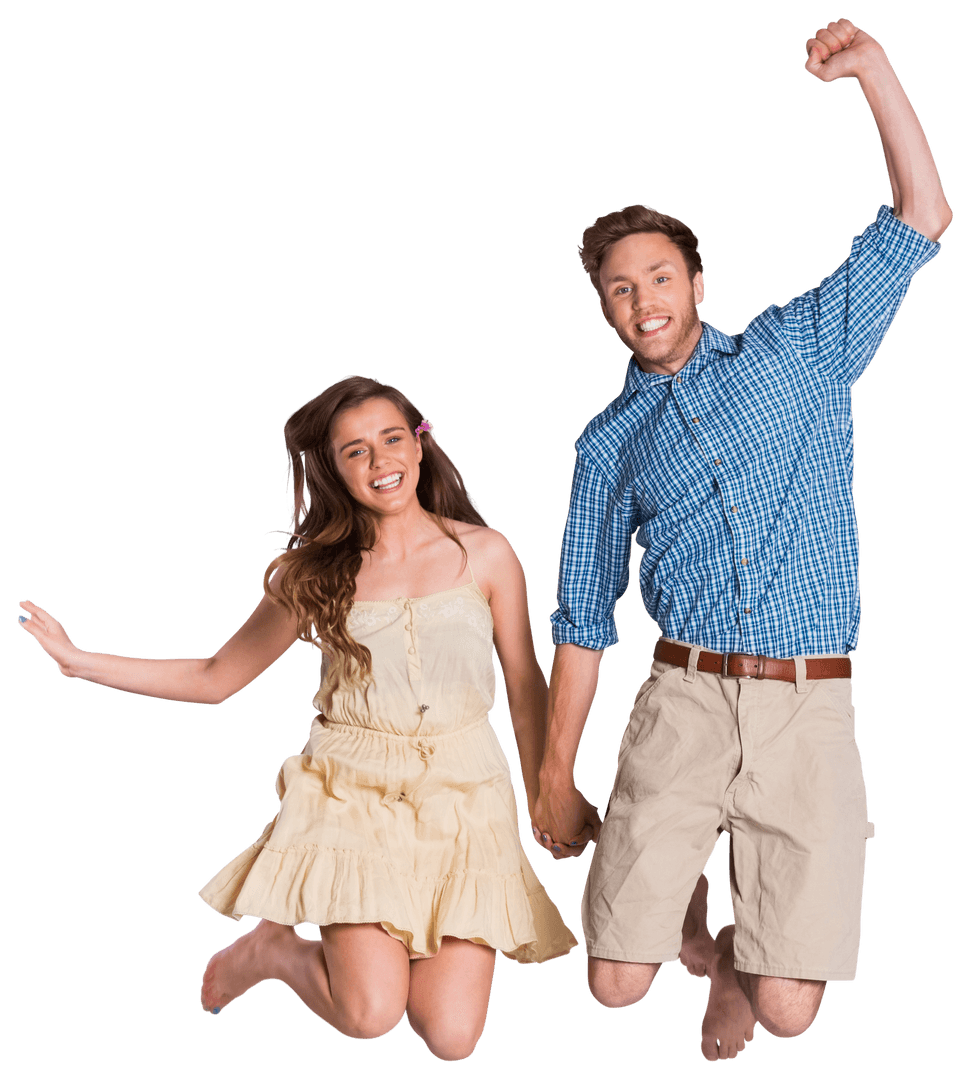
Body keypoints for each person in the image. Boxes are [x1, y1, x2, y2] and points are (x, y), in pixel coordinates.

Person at [531, 18, 952, 1062]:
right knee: (615, 984)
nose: (642, 300)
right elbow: (582, 621)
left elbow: (921, 214)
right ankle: (695, 935)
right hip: (680, 702)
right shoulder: (604, 444)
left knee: (788, 1013)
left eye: (657, 276)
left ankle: (729, 957)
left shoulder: (796, 351)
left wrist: (873, 70)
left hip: (806, 709)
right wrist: (551, 774)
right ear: (602, 308)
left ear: (696, 282)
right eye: (618, 288)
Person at [18, 375, 576, 1062]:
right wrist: (82, 663)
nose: (380, 462)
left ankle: (297, 948)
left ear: (420, 444)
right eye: (355, 451)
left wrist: (549, 792)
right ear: (333, 470)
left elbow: (524, 688)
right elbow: (216, 677)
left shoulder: (484, 553)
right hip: (353, 795)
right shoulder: (312, 573)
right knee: (369, 1014)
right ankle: (274, 951)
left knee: (451, 1037)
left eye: (391, 440)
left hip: (465, 795)